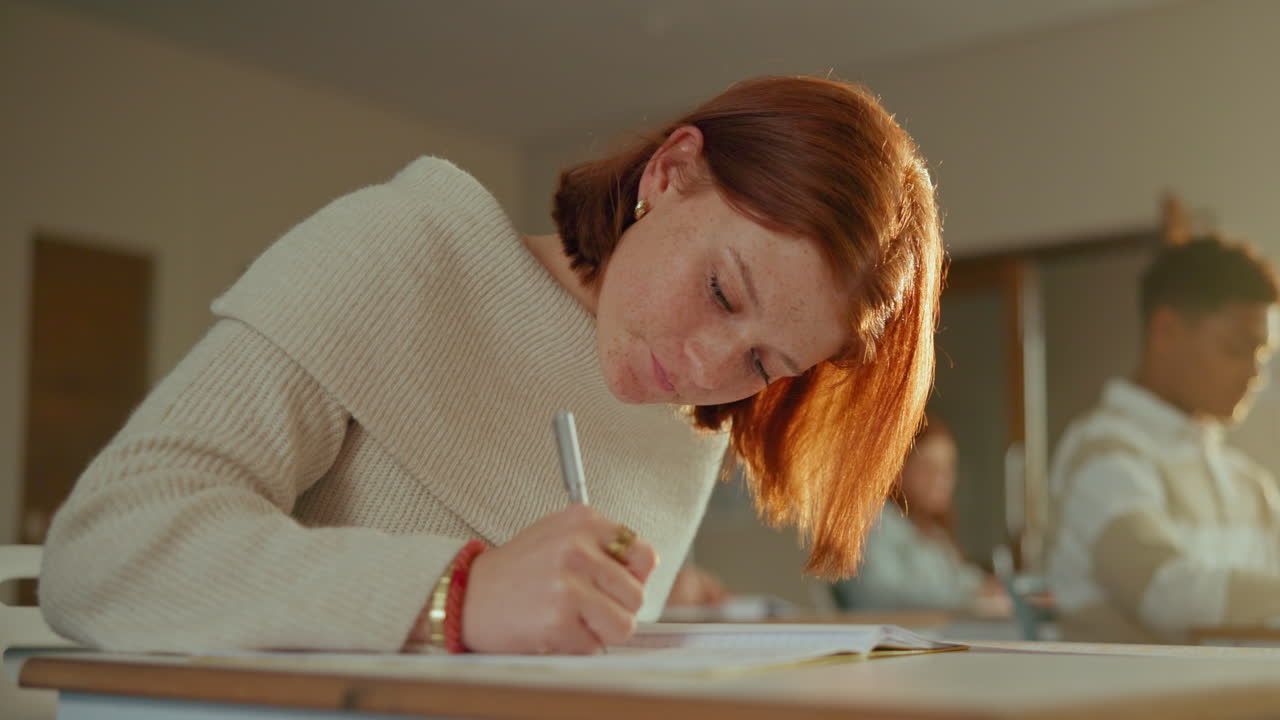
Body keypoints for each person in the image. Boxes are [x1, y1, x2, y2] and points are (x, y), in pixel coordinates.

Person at [38, 75, 944, 655]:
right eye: (718, 290)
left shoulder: (686, 436)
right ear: (670, 174)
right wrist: (453, 597)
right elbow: (103, 547)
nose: (708, 367)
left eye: (761, 359)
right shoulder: (406, 247)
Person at [1046, 237, 1280, 643]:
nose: (1254, 374)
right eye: (1236, 348)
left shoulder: (1248, 483)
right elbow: (1164, 590)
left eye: (1262, 354)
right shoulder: (1102, 451)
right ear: (1165, 329)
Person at [832, 415, 1003, 611]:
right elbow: (880, 594)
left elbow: (960, 579)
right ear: (898, 469)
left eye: (947, 468)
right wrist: (971, 599)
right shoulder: (871, 522)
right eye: (928, 468)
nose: (941, 480)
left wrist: (991, 588)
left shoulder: (932, 532)